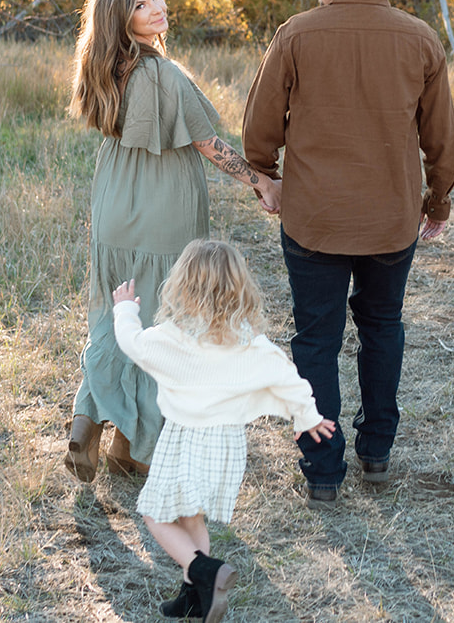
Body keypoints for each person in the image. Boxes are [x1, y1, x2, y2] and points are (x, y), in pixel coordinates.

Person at [241, 0, 454, 504]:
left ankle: (322, 472)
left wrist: (267, 177)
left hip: (314, 218)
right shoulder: (420, 40)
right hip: (391, 220)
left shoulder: (296, 35)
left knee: (316, 339)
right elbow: (442, 141)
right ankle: (378, 452)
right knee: (382, 326)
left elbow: (258, 131)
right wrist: (436, 202)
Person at [65, 0, 280, 484]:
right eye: (141, 5)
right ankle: (136, 447)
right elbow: (209, 145)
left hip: (116, 200)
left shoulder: (103, 67)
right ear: (123, 18)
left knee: (116, 313)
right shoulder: (161, 73)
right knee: (166, 324)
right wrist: (261, 182)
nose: (157, 7)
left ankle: (90, 422)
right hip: (164, 207)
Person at [111, 239, 336, 622]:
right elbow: (289, 379)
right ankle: (196, 596)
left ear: (181, 286)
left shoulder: (171, 337)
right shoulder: (251, 344)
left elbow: (132, 344)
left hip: (184, 440)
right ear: (240, 289)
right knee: (190, 516)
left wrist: (124, 312)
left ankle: (204, 572)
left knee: (154, 514)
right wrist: (307, 416)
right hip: (226, 446)